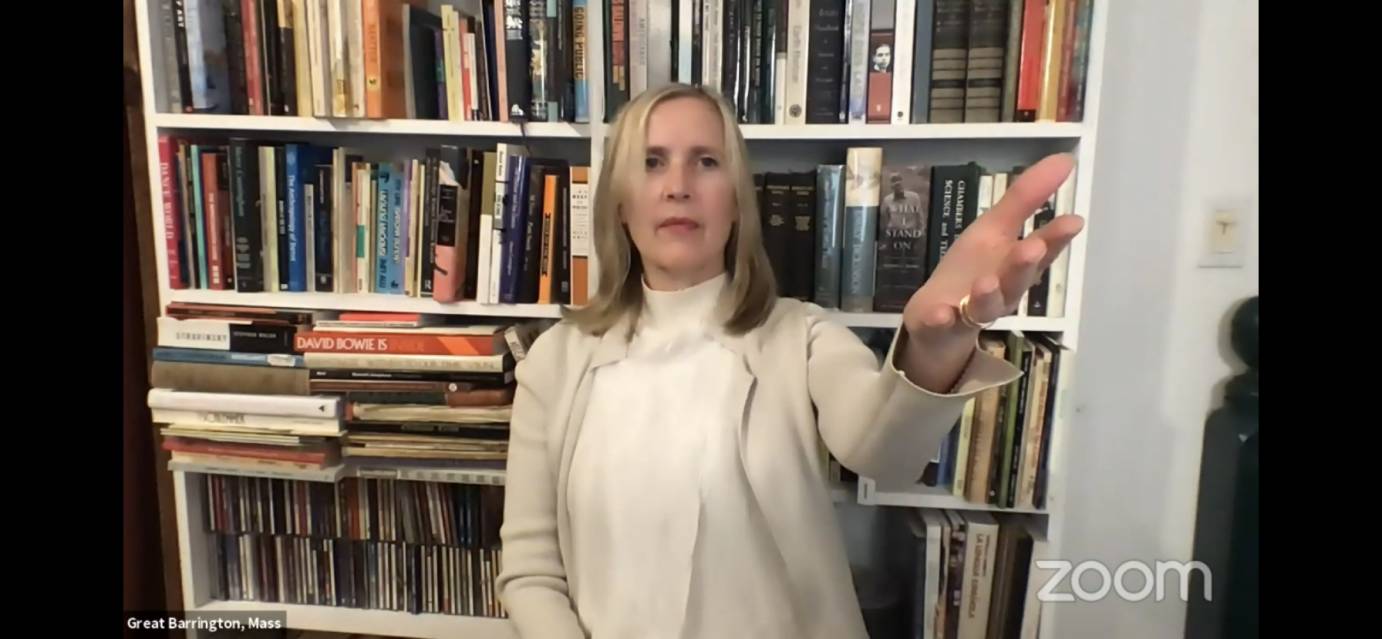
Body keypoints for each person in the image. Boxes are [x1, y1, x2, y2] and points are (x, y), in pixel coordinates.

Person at [495, 83, 1085, 639]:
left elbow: (881, 451)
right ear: (621, 204)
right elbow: (530, 571)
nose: (678, 185)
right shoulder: (556, 361)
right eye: (652, 162)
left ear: (736, 202)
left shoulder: (801, 336)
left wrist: (934, 352)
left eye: (706, 161)